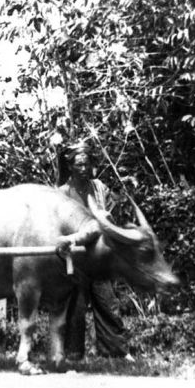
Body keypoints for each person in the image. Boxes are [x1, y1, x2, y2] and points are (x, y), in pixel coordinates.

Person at [57, 140, 135, 362]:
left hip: (99, 255)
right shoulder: (61, 193)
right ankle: (73, 354)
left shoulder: (99, 188)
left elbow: (109, 218)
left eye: (87, 164)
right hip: (75, 258)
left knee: (108, 304)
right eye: (78, 164)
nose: (83, 169)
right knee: (76, 308)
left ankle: (116, 351)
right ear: (70, 166)